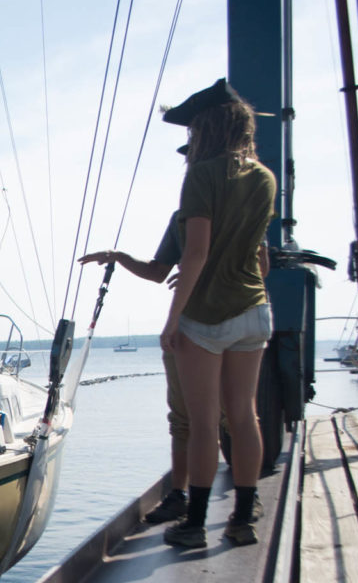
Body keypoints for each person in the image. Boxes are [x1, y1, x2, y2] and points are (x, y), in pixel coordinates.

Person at [78, 215, 270, 526]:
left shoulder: (242, 202)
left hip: (231, 323)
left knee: (236, 417)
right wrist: (119, 257)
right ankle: (178, 496)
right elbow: (158, 271)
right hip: (189, 323)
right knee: (183, 420)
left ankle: (247, 497)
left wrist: (204, 276)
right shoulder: (183, 216)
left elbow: (261, 269)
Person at [158, 78, 276, 549]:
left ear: (206, 128)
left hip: (206, 316)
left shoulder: (202, 176)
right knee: (244, 416)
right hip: (253, 309)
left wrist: (173, 320)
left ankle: (195, 525)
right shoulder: (264, 178)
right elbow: (262, 259)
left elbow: (197, 254)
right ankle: (243, 519)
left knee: (205, 423)